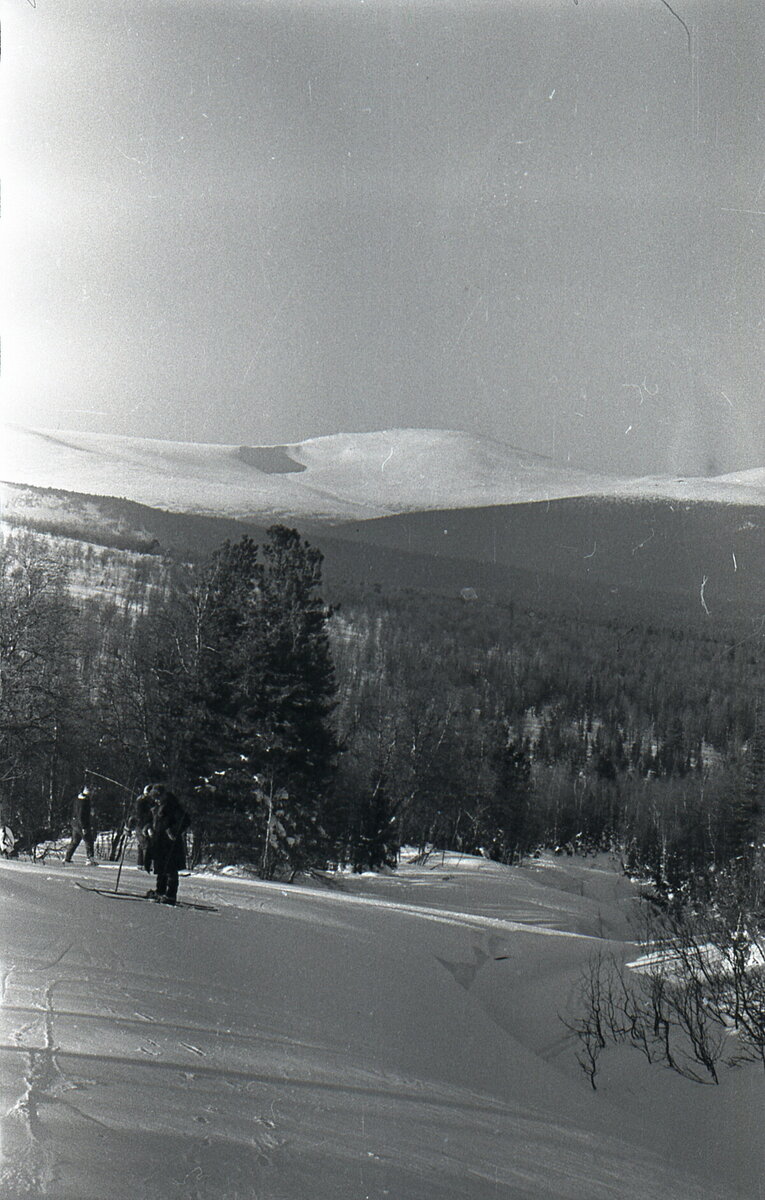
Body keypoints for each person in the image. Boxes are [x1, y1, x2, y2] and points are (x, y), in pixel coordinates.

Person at [144, 784, 190, 905]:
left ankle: (171, 895)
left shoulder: (173, 806)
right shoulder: (157, 807)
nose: (156, 800)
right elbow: (151, 820)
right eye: (154, 798)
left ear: (163, 795)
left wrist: (173, 831)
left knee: (171, 869)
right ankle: (160, 891)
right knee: (161, 868)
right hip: (159, 842)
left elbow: (185, 820)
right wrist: (148, 827)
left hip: (170, 843)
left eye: (157, 797)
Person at [64, 786, 97, 864]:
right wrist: (84, 827)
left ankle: (67, 858)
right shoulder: (84, 802)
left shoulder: (77, 799)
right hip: (81, 825)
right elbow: (81, 816)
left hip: (75, 824)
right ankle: (90, 860)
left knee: (75, 841)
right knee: (89, 841)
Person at [128, 786, 156, 870]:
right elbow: (139, 815)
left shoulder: (149, 802)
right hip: (141, 825)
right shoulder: (141, 801)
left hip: (144, 825)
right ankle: (145, 864)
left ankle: (140, 864)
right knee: (146, 844)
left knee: (143, 845)